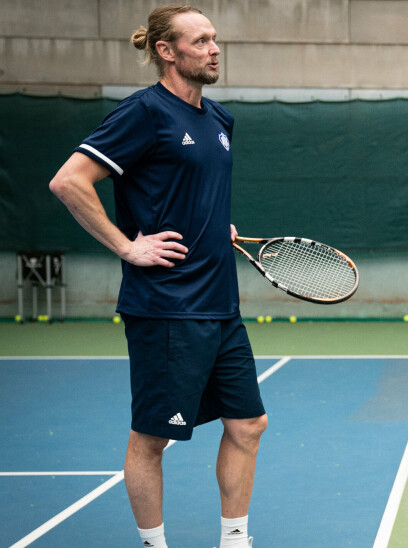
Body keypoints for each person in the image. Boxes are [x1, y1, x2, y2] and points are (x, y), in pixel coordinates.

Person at [49, 5, 266, 547]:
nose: (214, 49)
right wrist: (127, 246)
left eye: (215, 38)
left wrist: (215, 226)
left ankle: (235, 540)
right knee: (152, 438)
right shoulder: (144, 112)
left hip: (221, 305)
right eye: (201, 41)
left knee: (248, 425)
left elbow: (190, 192)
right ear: (166, 52)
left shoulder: (219, 120)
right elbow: (69, 181)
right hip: (167, 307)